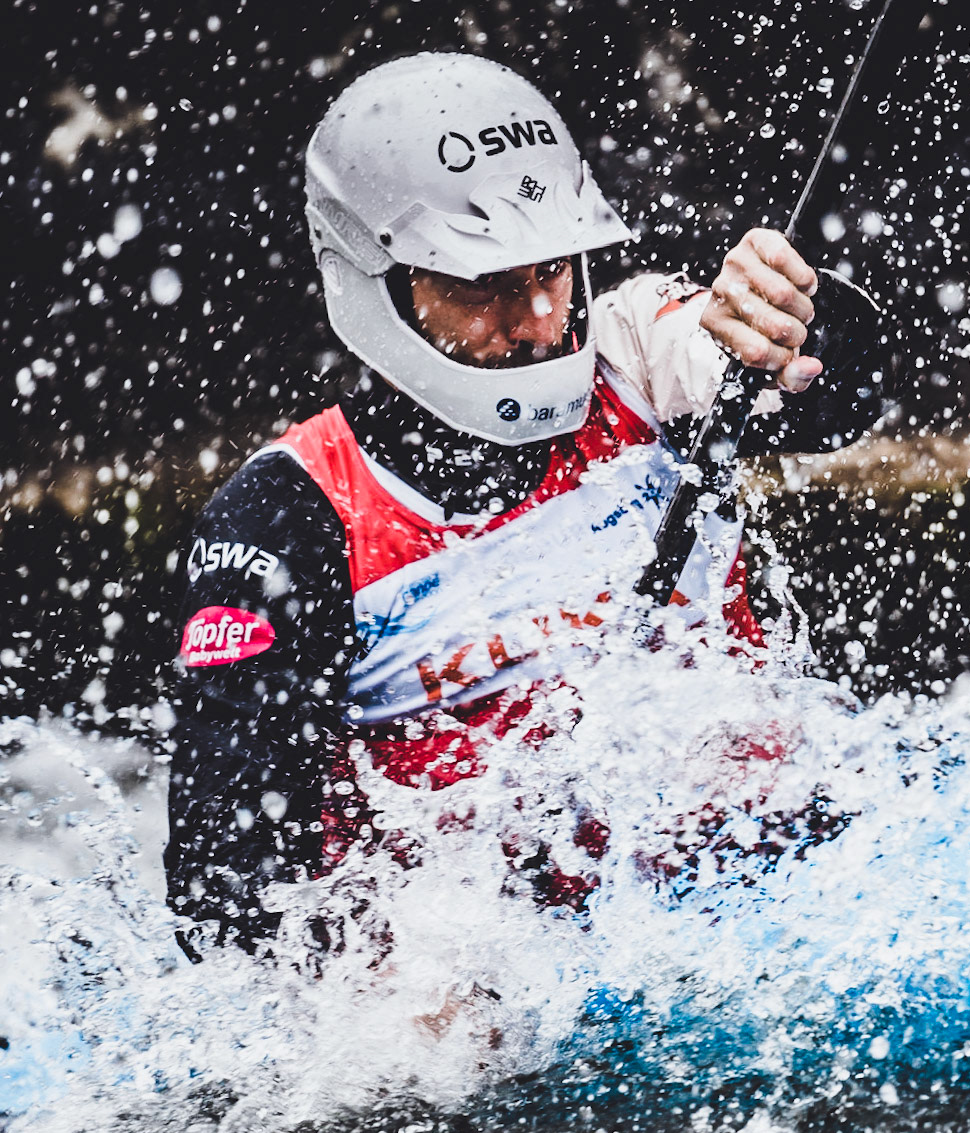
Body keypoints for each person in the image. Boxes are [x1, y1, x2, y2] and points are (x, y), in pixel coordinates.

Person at [165, 52, 886, 956]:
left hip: (781, 895)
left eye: (551, 270)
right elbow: (224, 891)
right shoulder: (287, 518)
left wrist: (782, 319)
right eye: (483, 286)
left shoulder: (635, 352)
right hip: (501, 979)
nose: (539, 320)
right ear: (374, 279)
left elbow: (829, 390)